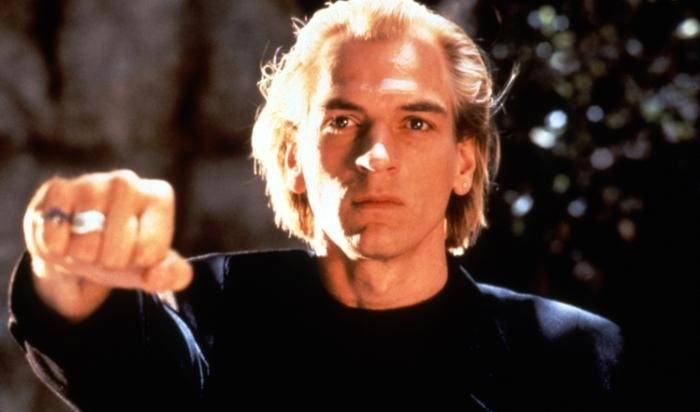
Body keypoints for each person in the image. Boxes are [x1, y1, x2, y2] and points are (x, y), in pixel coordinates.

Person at [7, 0, 625, 410]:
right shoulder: (200, 311)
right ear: (293, 159)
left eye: (415, 123)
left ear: (464, 162)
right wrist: (69, 266)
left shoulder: (573, 356)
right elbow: (113, 350)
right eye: (342, 120)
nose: (375, 155)